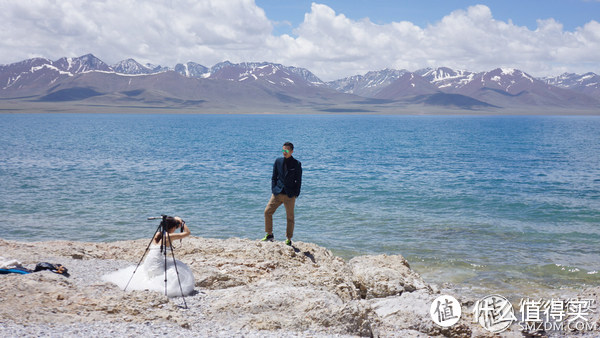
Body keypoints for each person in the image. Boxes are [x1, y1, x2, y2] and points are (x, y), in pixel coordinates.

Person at [102, 216, 195, 297]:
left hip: (149, 262)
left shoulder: (158, 234)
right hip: (157, 265)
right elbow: (187, 233)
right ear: (173, 227)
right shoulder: (168, 237)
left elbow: (171, 231)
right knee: (179, 271)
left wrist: (175, 223)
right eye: (175, 226)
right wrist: (182, 222)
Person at [262, 142, 302, 246]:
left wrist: (296, 194)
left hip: (289, 195)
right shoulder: (278, 161)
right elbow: (274, 177)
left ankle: (288, 239)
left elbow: (298, 180)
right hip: (277, 193)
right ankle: (269, 234)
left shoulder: (296, 164)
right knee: (267, 212)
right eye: (283, 150)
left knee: (290, 217)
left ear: (292, 151)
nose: (285, 152)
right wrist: (273, 189)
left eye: (287, 150)